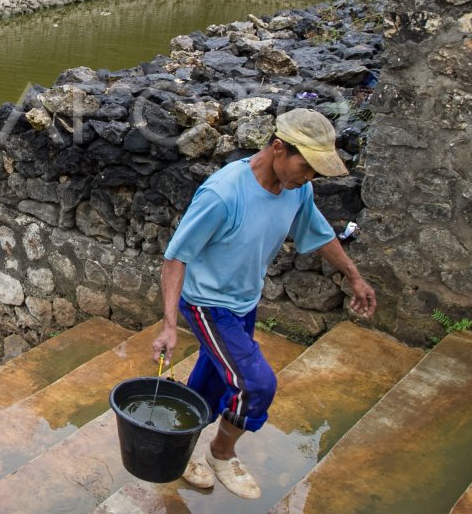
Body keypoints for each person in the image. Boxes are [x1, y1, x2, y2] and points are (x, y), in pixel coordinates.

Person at [150, 108, 376, 499]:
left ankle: (179, 444)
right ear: (277, 148)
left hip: (244, 300)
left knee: (216, 377)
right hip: (208, 304)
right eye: (305, 167)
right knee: (254, 385)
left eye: (314, 173)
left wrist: (353, 275)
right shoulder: (223, 194)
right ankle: (221, 452)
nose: (309, 179)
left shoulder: (297, 189)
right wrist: (170, 325)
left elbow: (317, 232)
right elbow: (176, 257)